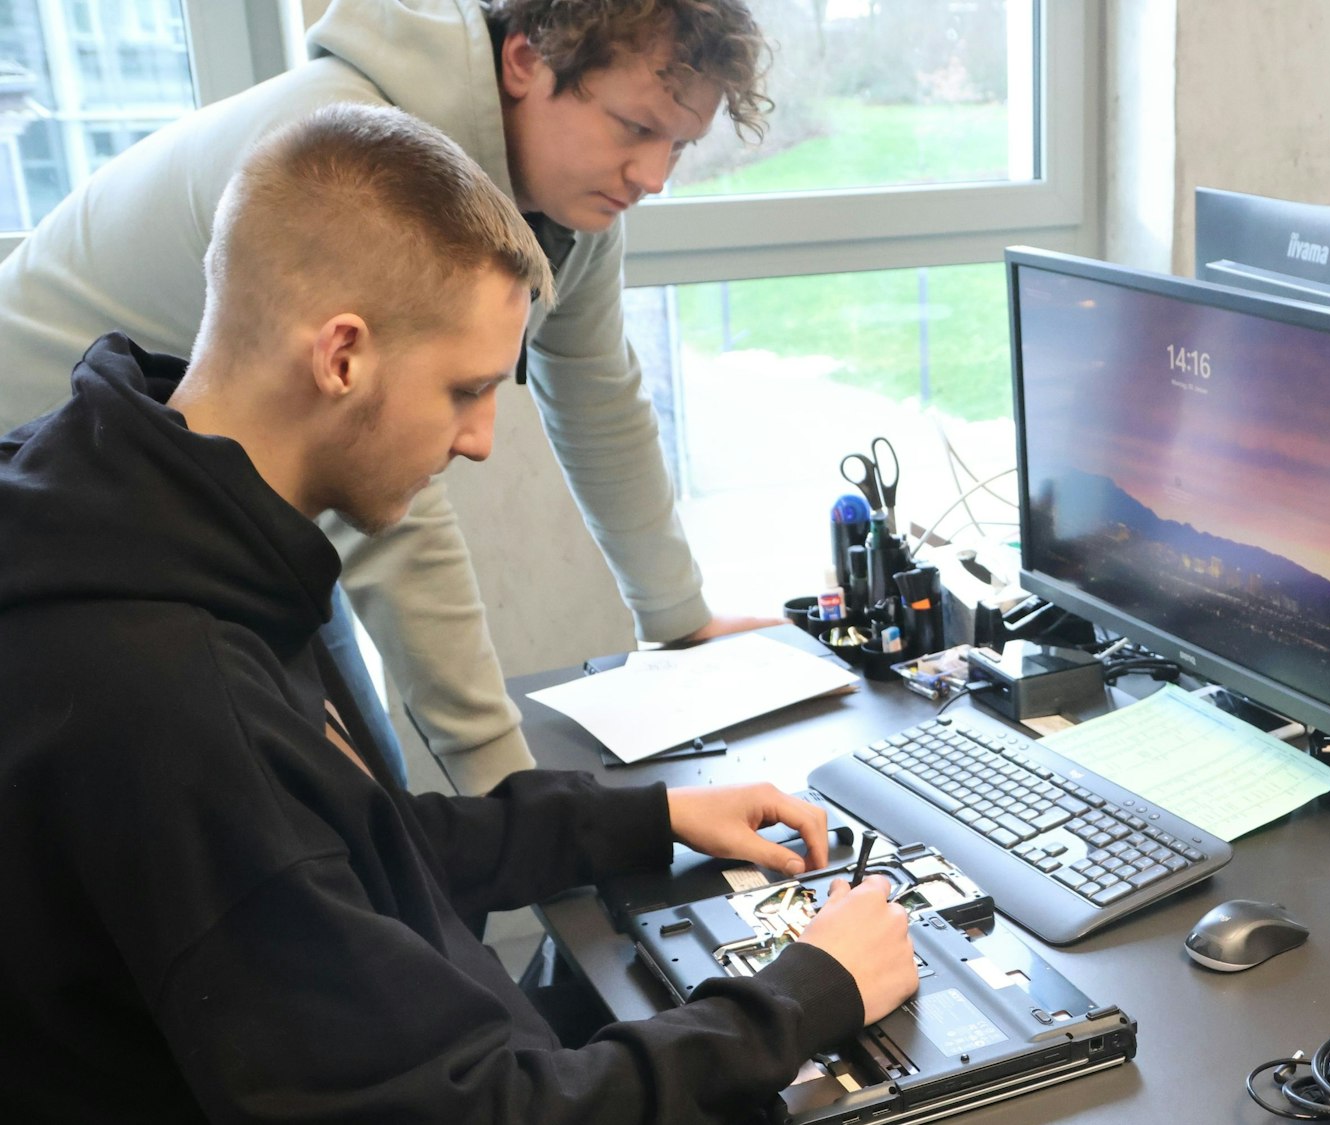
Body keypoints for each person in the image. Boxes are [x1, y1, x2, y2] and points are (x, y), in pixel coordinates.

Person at [0, 103, 917, 1123]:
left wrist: (645, 816)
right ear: (341, 355)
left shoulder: (144, 509)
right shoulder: (178, 695)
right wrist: (802, 998)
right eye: (465, 389)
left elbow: (339, 852)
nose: (480, 439)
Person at [0, 0, 781, 794]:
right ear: (525, 61)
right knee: (310, 809)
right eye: (634, 128)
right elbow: (381, 499)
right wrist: (511, 786)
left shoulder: (575, 207)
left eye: (679, 145)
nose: (653, 177)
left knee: (355, 817)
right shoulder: (352, 157)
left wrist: (681, 621)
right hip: (47, 476)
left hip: (201, 486)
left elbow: (598, 395)